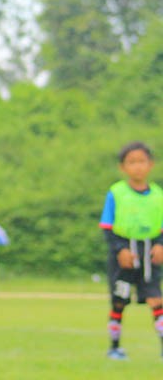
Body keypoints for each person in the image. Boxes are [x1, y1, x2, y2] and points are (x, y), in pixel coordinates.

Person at [99, 141, 163, 360]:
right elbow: (107, 226)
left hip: (149, 254)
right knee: (119, 300)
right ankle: (114, 347)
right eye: (131, 162)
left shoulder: (158, 195)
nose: (137, 167)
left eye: (141, 161)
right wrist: (120, 250)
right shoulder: (116, 193)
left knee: (156, 300)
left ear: (150, 164)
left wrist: (160, 245)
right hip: (124, 253)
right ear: (123, 167)